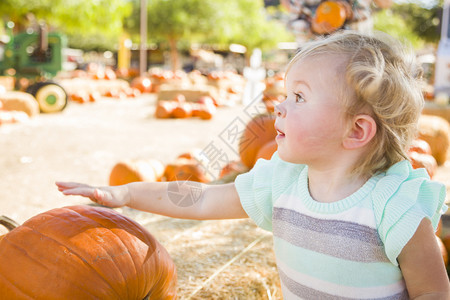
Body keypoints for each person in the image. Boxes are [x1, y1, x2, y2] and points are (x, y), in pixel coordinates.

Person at [56, 31, 450, 299]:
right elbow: (200, 199)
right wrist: (125, 193)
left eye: (299, 97)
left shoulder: (393, 207)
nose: (279, 106)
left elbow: (432, 291)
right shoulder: (283, 182)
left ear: (356, 130)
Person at [281, 0, 392, 42]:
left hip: (356, 51)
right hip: (314, 53)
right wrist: (313, 27)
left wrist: (349, 6)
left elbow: (386, 3)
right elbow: (290, 25)